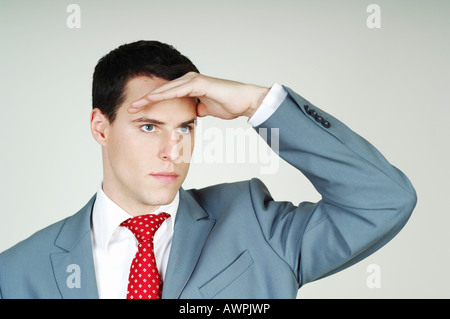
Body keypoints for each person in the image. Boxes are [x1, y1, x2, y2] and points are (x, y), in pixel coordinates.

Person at [0, 40, 417, 299]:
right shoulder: (18, 271)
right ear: (100, 127)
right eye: (149, 127)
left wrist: (259, 106)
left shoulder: (256, 226)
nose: (172, 150)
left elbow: (384, 200)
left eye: (185, 127)